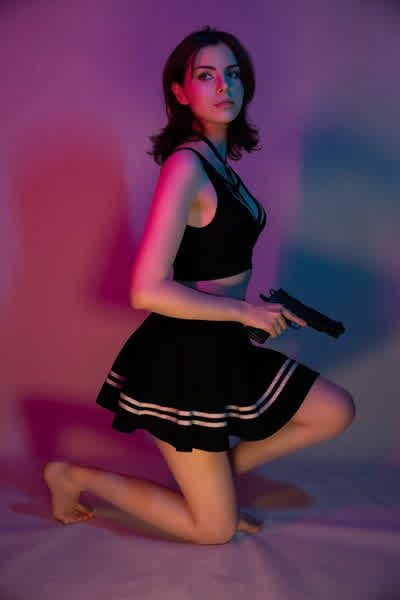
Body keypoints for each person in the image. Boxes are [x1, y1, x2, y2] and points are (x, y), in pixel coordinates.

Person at [43, 26, 356, 546]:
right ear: (181, 91)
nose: (223, 86)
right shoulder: (186, 165)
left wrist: (262, 309)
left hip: (223, 340)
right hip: (181, 355)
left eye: (232, 74)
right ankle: (75, 477)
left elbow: (219, 261)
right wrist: (243, 313)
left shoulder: (219, 164)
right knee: (214, 531)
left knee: (334, 411)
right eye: (206, 76)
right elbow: (146, 290)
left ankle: (212, 487)